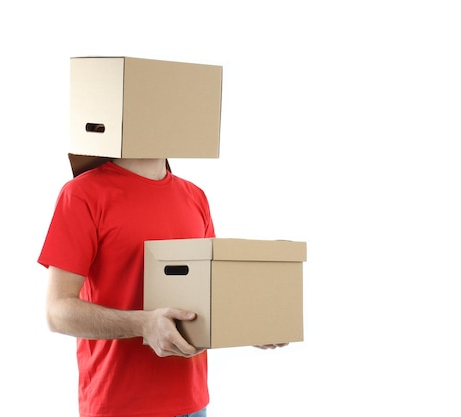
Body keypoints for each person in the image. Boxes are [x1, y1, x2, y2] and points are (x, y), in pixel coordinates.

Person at [38, 157, 285, 417]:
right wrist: (142, 324)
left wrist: (251, 325)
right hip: (120, 406)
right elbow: (56, 312)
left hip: (193, 403)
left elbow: (209, 295)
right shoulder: (82, 193)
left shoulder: (195, 196)